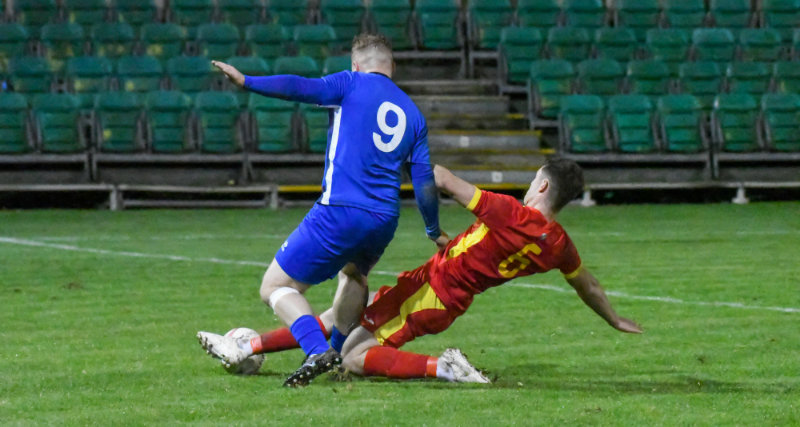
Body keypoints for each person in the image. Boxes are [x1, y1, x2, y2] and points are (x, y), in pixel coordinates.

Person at [199, 159, 643, 383]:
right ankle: (245, 346)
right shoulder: (558, 244)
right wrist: (613, 318)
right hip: (438, 289)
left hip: (432, 293)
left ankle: (443, 368)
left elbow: (443, 179)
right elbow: (587, 284)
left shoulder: (512, 213)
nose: (528, 186)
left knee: (353, 357)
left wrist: (397, 160)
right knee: (340, 317)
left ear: (542, 185)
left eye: (533, 180)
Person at [198, 33, 448, 387]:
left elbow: (298, 87)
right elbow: (423, 181)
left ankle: (317, 351)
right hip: (384, 219)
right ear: (392, 66)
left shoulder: (350, 83)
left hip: (341, 210)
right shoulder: (413, 113)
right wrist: (434, 230)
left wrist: (248, 81)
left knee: (275, 286)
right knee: (354, 276)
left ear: (356, 65)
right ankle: (340, 352)